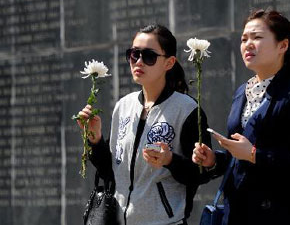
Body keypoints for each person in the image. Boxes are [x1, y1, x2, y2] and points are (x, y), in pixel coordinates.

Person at [192, 9, 290, 225]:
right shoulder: (241, 92)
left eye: (257, 37)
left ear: (283, 46)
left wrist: (255, 154)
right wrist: (215, 159)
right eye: (244, 39)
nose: (248, 44)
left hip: (278, 215)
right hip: (237, 213)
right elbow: (240, 159)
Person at [76, 24, 210, 225]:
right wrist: (95, 140)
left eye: (149, 56)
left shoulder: (187, 110)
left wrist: (170, 160)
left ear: (169, 62)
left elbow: (200, 174)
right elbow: (112, 172)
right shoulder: (123, 106)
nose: (138, 61)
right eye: (133, 54)